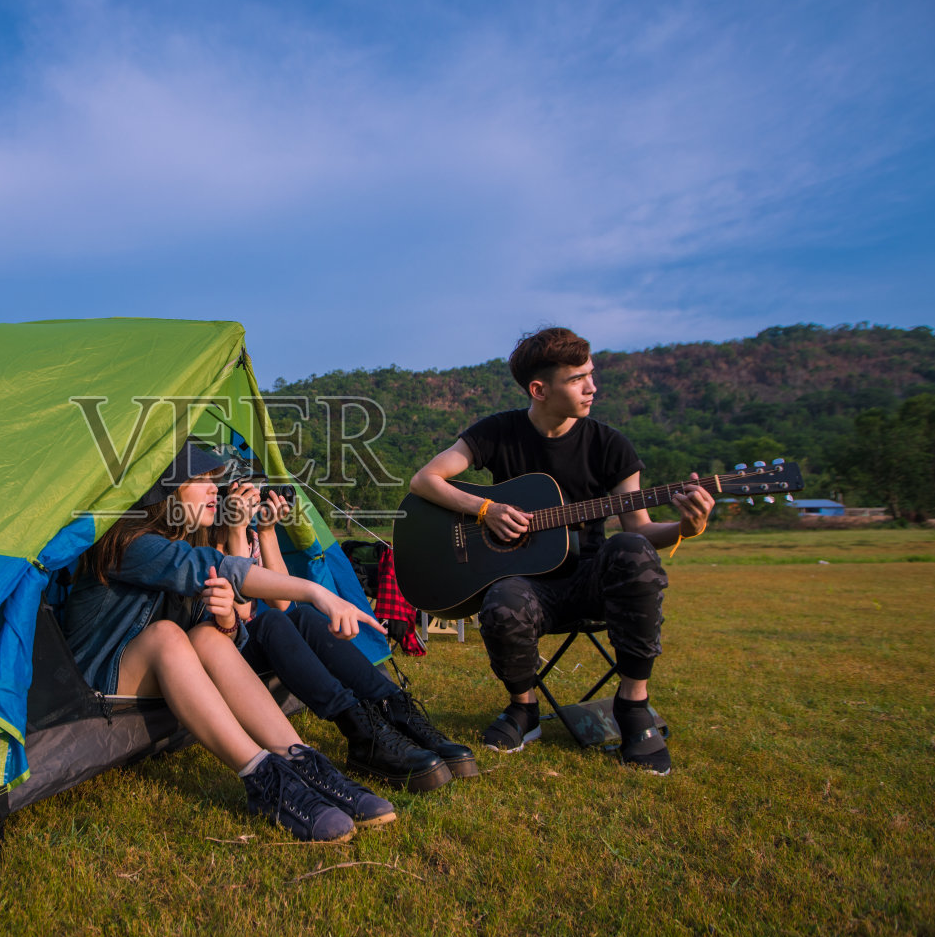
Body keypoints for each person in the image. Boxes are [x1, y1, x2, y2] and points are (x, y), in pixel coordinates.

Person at [409, 327, 714, 776]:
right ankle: (524, 710)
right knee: (503, 599)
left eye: (591, 374)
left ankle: (634, 707)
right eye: (578, 379)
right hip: (527, 587)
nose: (593, 387)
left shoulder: (610, 445)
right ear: (539, 389)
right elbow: (424, 481)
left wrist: (688, 526)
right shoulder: (497, 433)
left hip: (590, 580)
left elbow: (641, 530)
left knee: (630, 550)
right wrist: (485, 508)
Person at [64, 441, 395, 842]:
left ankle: (303, 760)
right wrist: (317, 592)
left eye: (213, 481)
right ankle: (262, 777)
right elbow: (213, 569)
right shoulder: (129, 543)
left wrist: (223, 617)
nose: (213, 491)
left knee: (206, 635)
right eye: (199, 480)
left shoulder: (191, 542)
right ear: (163, 493)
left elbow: (224, 639)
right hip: (96, 678)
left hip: (151, 673)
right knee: (169, 636)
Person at [214, 476, 477, 791]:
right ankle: (361, 731)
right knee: (272, 623)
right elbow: (242, 612)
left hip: (251, 641)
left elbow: (280, 600)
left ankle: (395, 711)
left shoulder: (249, 535)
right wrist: (233, 530)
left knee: (304, 616)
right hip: (221, 650)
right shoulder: (196, 538)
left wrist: (267, 531)